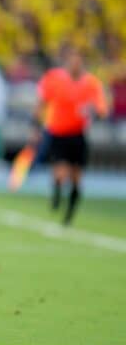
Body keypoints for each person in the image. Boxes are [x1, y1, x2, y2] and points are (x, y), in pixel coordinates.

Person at [32, 46, 108, 225]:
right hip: (58, 133)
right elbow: (42, 102)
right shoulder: (54, 79)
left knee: (76, 178)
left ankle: (69, 214)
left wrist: (92, 112)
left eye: (79, 59)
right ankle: (57, 192)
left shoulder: (91, 83)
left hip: (78, 134)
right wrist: (35, 126)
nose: (75, 63)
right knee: (60, 173)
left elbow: (102, 110)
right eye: (72, 59)